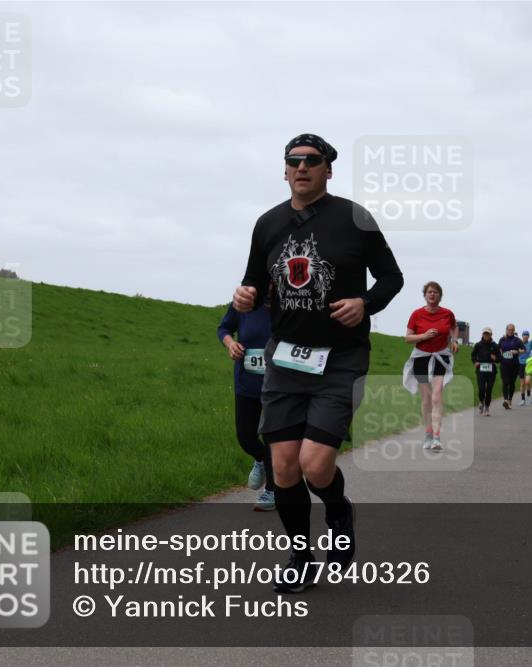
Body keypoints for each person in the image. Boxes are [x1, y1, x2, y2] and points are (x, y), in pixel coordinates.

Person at [234, 133, 404, 593]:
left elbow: (392, 277)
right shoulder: (267, 224)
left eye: (313, 160)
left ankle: (338, 507)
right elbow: (252, 282)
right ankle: (301, 557)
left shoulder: (355, 219)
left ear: (329, 169)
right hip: (286, 358)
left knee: (314, 464)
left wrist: (365, 303)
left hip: (341, 357)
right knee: (283, 467)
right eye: (294, 161)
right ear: (285, 170)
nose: (302, 167)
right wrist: (244, 295)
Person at [217, 295, 276, 511]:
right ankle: (260, 460)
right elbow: (223, 329)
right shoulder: (243, 303)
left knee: (271, 437)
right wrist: (230, 344)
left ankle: (272, 490)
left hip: (278, 387)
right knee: (245, 436)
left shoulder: (289, 306)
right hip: (246, 383)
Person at [403, 281, 458, 452]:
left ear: (440, 295)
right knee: (426, 400)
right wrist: (424, 335)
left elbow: (454, 328)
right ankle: (427, 434)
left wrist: (454, 340)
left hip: (440, 357)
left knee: (436, 398)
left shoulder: (447, 314)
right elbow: (407, 338)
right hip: (421, 358)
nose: (432, 294)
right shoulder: (416, 314)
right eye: (429, 292)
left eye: (435, 292)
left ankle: (436, 437)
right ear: (425, 295)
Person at [471, 327, 500, 416]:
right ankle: (481, 401)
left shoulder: (495, 345)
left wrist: (495, 358)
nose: (486, 335)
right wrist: (475, 361)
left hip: (491, 371)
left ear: (491, 335)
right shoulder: (478, 345)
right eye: (485, 334)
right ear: (482, 334)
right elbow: (473, 355)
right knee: (481, 389)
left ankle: (487, 407)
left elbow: (499, 358)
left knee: (489, 390)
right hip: (481, 370)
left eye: (488, 334)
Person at [498, 324, 524, 409]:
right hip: (504, 364)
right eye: (509, 330)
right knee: (505, 382)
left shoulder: (517, 340)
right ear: (506, 330)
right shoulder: (502, 339)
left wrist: (517, 352)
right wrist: (500, 353)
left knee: (512, 383)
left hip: (514, 364)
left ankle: (510, 399)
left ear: (514, 331)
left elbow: (524, 349)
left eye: (512, 330)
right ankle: (505, 400)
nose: (510, 331)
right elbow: (498, 349)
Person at [517, 330, 532, 405]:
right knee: (522, 383)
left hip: (528, 364)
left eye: (527, 335)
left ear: (528, 336)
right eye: (524, 335)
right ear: (522, 336)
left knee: (528, 382)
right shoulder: (518, 343)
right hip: (520, 364)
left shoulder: (530, 343)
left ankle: (529, 397)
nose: (526, 336)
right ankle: (523, 399)